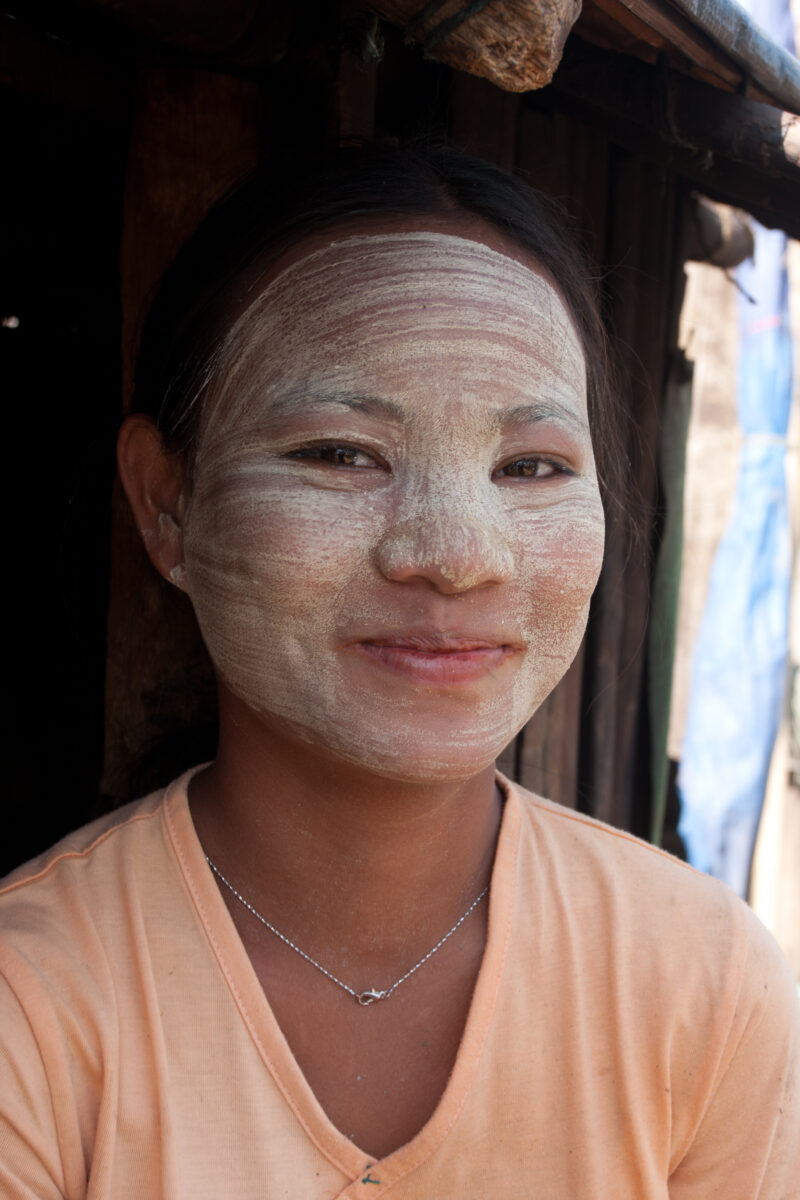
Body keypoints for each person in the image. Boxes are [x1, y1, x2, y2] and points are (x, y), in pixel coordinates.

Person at [1, 143, 797, 1199]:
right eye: (341, 452)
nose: (457, 554)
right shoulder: (33, 1006)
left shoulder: (705, 983)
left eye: (529, 467)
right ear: (165, 503)